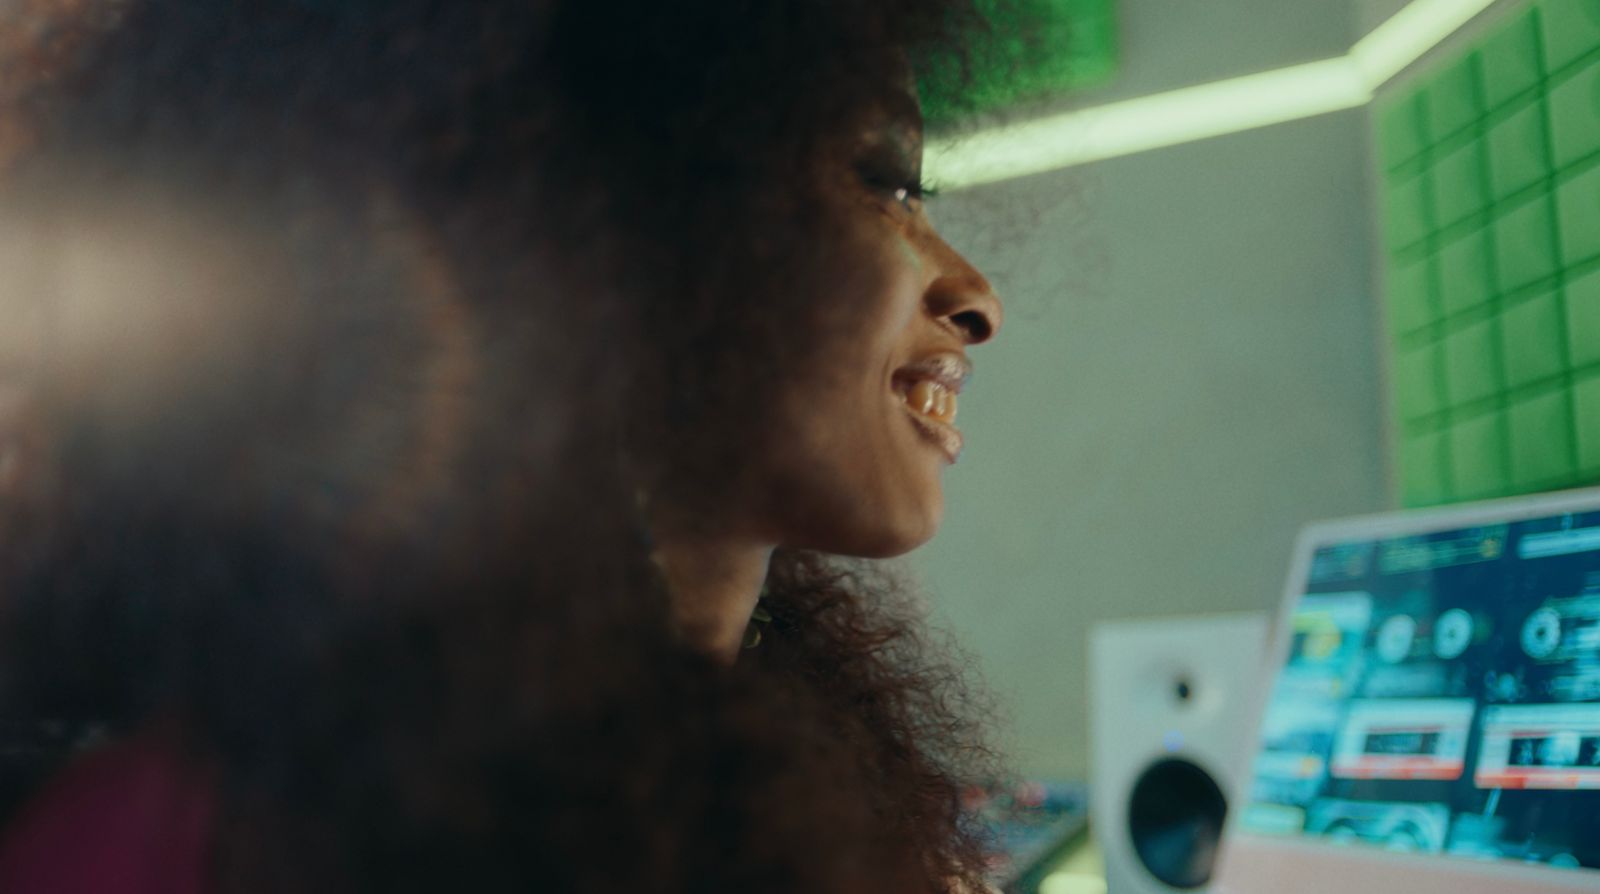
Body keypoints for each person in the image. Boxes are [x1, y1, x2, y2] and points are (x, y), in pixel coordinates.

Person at [0, 0, 1012, 891]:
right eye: (883, 186)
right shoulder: (197, 836)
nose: (976, 300)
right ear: (599, 231)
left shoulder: (816, 792)